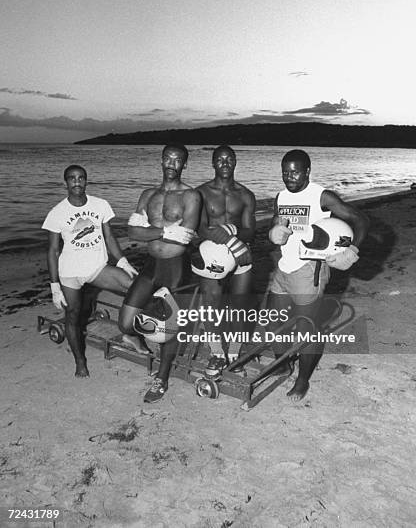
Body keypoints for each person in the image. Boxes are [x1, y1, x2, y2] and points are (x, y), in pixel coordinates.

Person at [267, 149, 369, 401]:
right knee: (276, 321)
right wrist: (273, 230)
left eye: (295, 171)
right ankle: (283, 363)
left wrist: (352, 249)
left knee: (306, 328)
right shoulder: (280, 196)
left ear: (308, 171)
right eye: (285, 172)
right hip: (283, 267)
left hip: (309, 270)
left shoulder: (321, 196)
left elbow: (361, 220)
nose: (289, 177)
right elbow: (277, 221)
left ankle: (303, 381)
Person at [118, 143, 201, 403]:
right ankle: (139, 339)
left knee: (169, 330)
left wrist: (150, 230)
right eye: (167, 158)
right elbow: (131, 232)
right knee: (125, 322)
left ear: (185, 164)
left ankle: (162, 379)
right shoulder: (148, 194)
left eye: (177, 160)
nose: (171, 164)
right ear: (161, 160)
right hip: (151, 264)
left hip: (176, 267)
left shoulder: (192, 196)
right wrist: (165, 231)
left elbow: (184, 237)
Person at [42, 165, 137, 377]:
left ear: (86, 180)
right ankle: (80, 361)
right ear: (65, 182)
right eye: (72, 178)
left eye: (81, 178)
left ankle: (130, 333)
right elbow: (53, 251)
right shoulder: (57, 213)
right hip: (70, 274)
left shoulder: (100, 205)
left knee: (134, 286)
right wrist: (55, 286)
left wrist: (122, 261)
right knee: (73, 316)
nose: (77, 182)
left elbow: (110, 237)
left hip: (97, 268)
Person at [196, 145, 256, 376]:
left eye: (229, 159)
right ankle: (216, 354)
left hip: (242, 252)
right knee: (211, 304)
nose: (224, 163)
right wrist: (227, 239)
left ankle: (233, 354)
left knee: (240, 306)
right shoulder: (200, 193)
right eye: (219, 159)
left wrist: (233, 233)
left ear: (235, 162)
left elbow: (250, 230)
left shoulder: (245, 195)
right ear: (212, 163)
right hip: (212, 253)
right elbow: (199, 228)